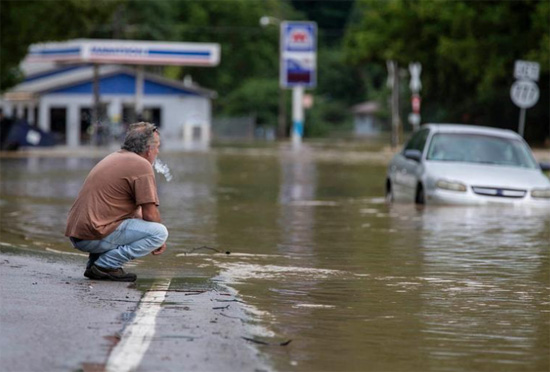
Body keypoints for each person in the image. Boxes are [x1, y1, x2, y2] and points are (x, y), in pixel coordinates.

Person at [65, 122, 168, 282]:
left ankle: (95, 265)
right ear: (148, 149)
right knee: (159, 232)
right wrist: (160, 241)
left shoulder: (116, 157)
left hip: (79, 233)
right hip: (93, 234)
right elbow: (150, 213)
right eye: (157, 147)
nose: (158, 151)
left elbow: (138, 212)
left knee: (132, 220)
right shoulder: (141, 165)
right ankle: (106, 265)